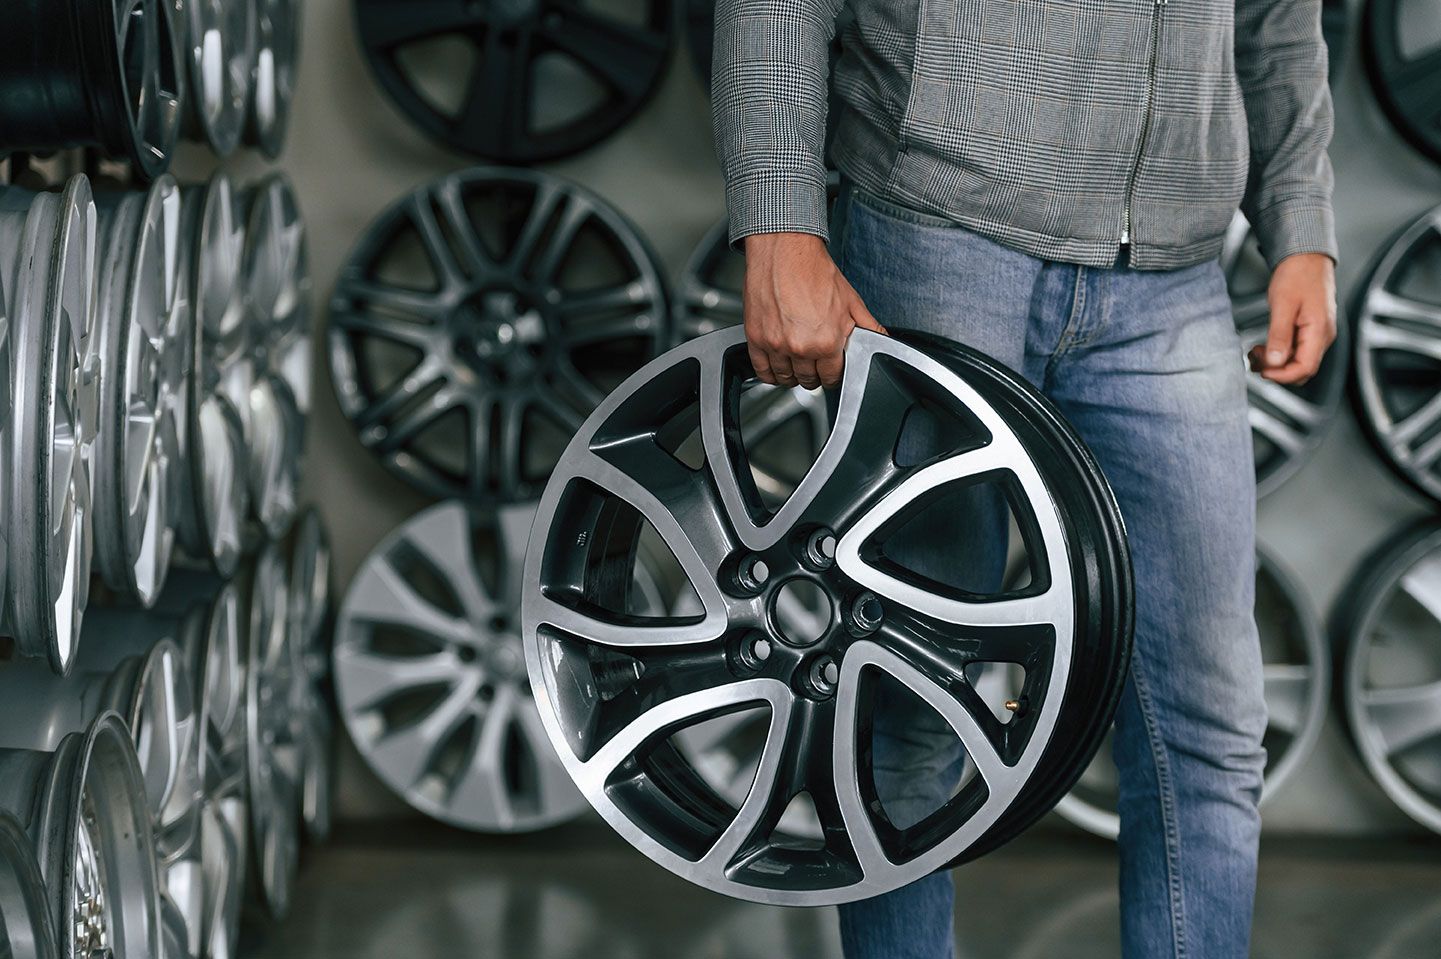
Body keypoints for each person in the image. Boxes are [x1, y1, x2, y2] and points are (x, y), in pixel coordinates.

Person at [710, 0, 1337, 957]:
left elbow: (1278, 14)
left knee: (1209, 721)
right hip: (940, 229)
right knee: (913, 691)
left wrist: (1299, 219)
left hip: (1172, 270)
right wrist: (778, 215)